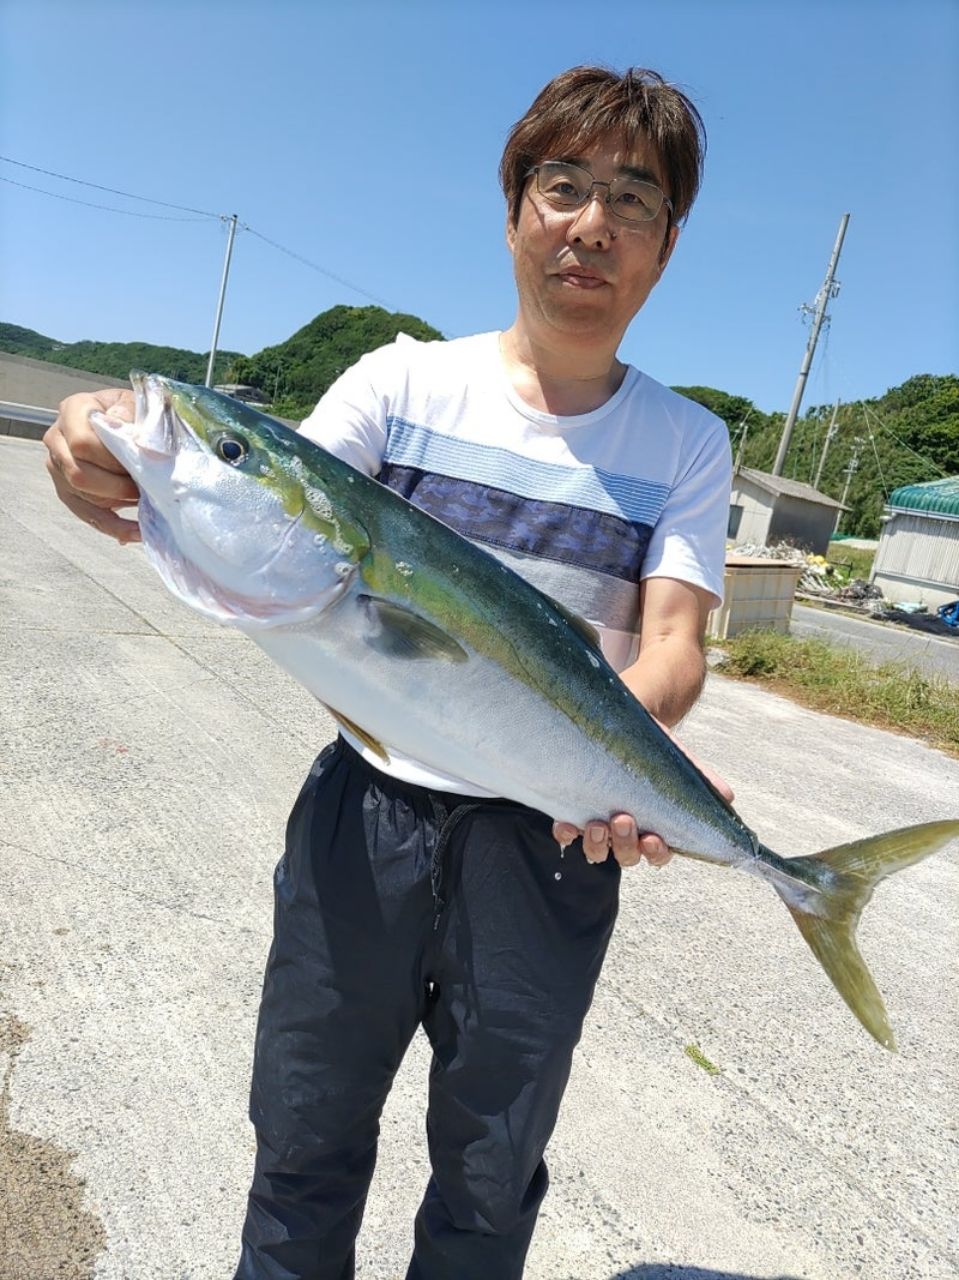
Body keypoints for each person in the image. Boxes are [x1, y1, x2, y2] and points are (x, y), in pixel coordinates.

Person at [44, 65, 733, 1280]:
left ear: (665, 244)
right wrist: (103, 435)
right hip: (363, 818)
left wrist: (616, 757)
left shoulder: (684, 440)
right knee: (302, 1138)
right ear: (515, 208)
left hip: (549, 845)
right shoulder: (399, 381)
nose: (590, 223)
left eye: (630, 197)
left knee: (489, 1171)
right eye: (562, 185)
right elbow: (273, 497)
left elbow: (671, 639)